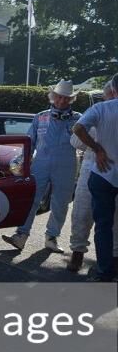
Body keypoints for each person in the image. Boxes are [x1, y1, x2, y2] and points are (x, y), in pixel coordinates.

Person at [3, 80, 81, 253]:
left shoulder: (78, 118)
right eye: (59, 97)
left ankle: (52, 238)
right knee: (32, 199)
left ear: (71, 100)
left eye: (66, 98)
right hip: (41, 162)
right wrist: (22, 160)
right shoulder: (40, 116)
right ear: (53, 97)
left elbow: (83, 142)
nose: (62, 101)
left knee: (61, 202)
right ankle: (21, 235)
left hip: (67, 163)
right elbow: (29, 141)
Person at [67, 83, 118, 272]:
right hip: (92, 165)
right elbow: (75, 140)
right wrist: (95, 144)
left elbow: (76, 136)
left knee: (112, 218)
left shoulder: (99, 111)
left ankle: (110, 259)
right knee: (83, 212)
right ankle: (78, 252)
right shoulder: (97, 111)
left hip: (103, 167)